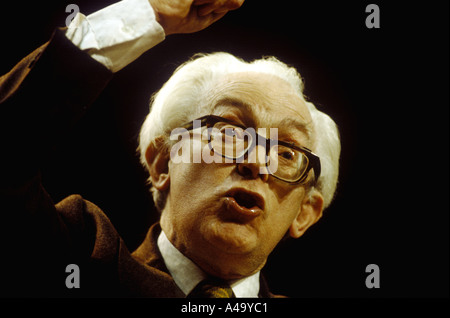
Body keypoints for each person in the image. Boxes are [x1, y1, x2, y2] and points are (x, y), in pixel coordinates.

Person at [0, 0, 340, 298]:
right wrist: (148, 13)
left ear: (305, 212)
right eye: (230, 132)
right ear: (163, 162)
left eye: (287, 153)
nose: (255, 162)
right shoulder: (77, 263)